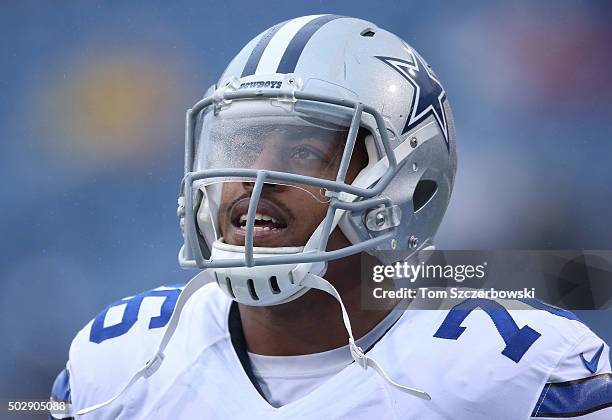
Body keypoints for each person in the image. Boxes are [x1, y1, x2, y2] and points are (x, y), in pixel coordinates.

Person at [50, 15, 611, 419]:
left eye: (301, 151)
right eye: (241, 146)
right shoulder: (119, 359)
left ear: (404, 184)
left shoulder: (513, 369)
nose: (255, 178)